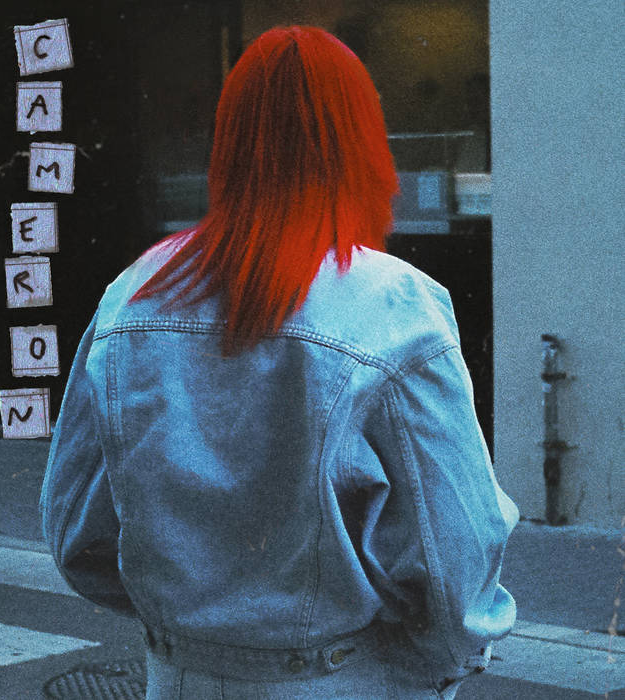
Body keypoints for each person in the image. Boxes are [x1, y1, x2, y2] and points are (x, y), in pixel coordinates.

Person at [40, 26, 519, 699]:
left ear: (229, 145)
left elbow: (75, 531)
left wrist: (194, 634)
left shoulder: (133, 295)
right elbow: (456, 551)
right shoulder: (392, 306)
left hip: (177, 677)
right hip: (345, 678)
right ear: (360, 145)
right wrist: (439, 661)